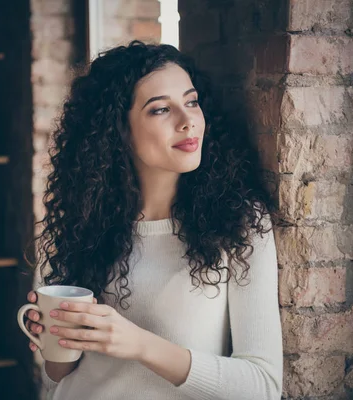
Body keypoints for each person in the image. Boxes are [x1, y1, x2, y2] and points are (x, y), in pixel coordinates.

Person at [22, 40, 283, 400]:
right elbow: (57, 380)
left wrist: (138, 344)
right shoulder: (82, 224)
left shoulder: (239, 223)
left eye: (191, 102)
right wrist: (57, 341)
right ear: (120, 132)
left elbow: (263, 387)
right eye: (161, 110)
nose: (188, 120)